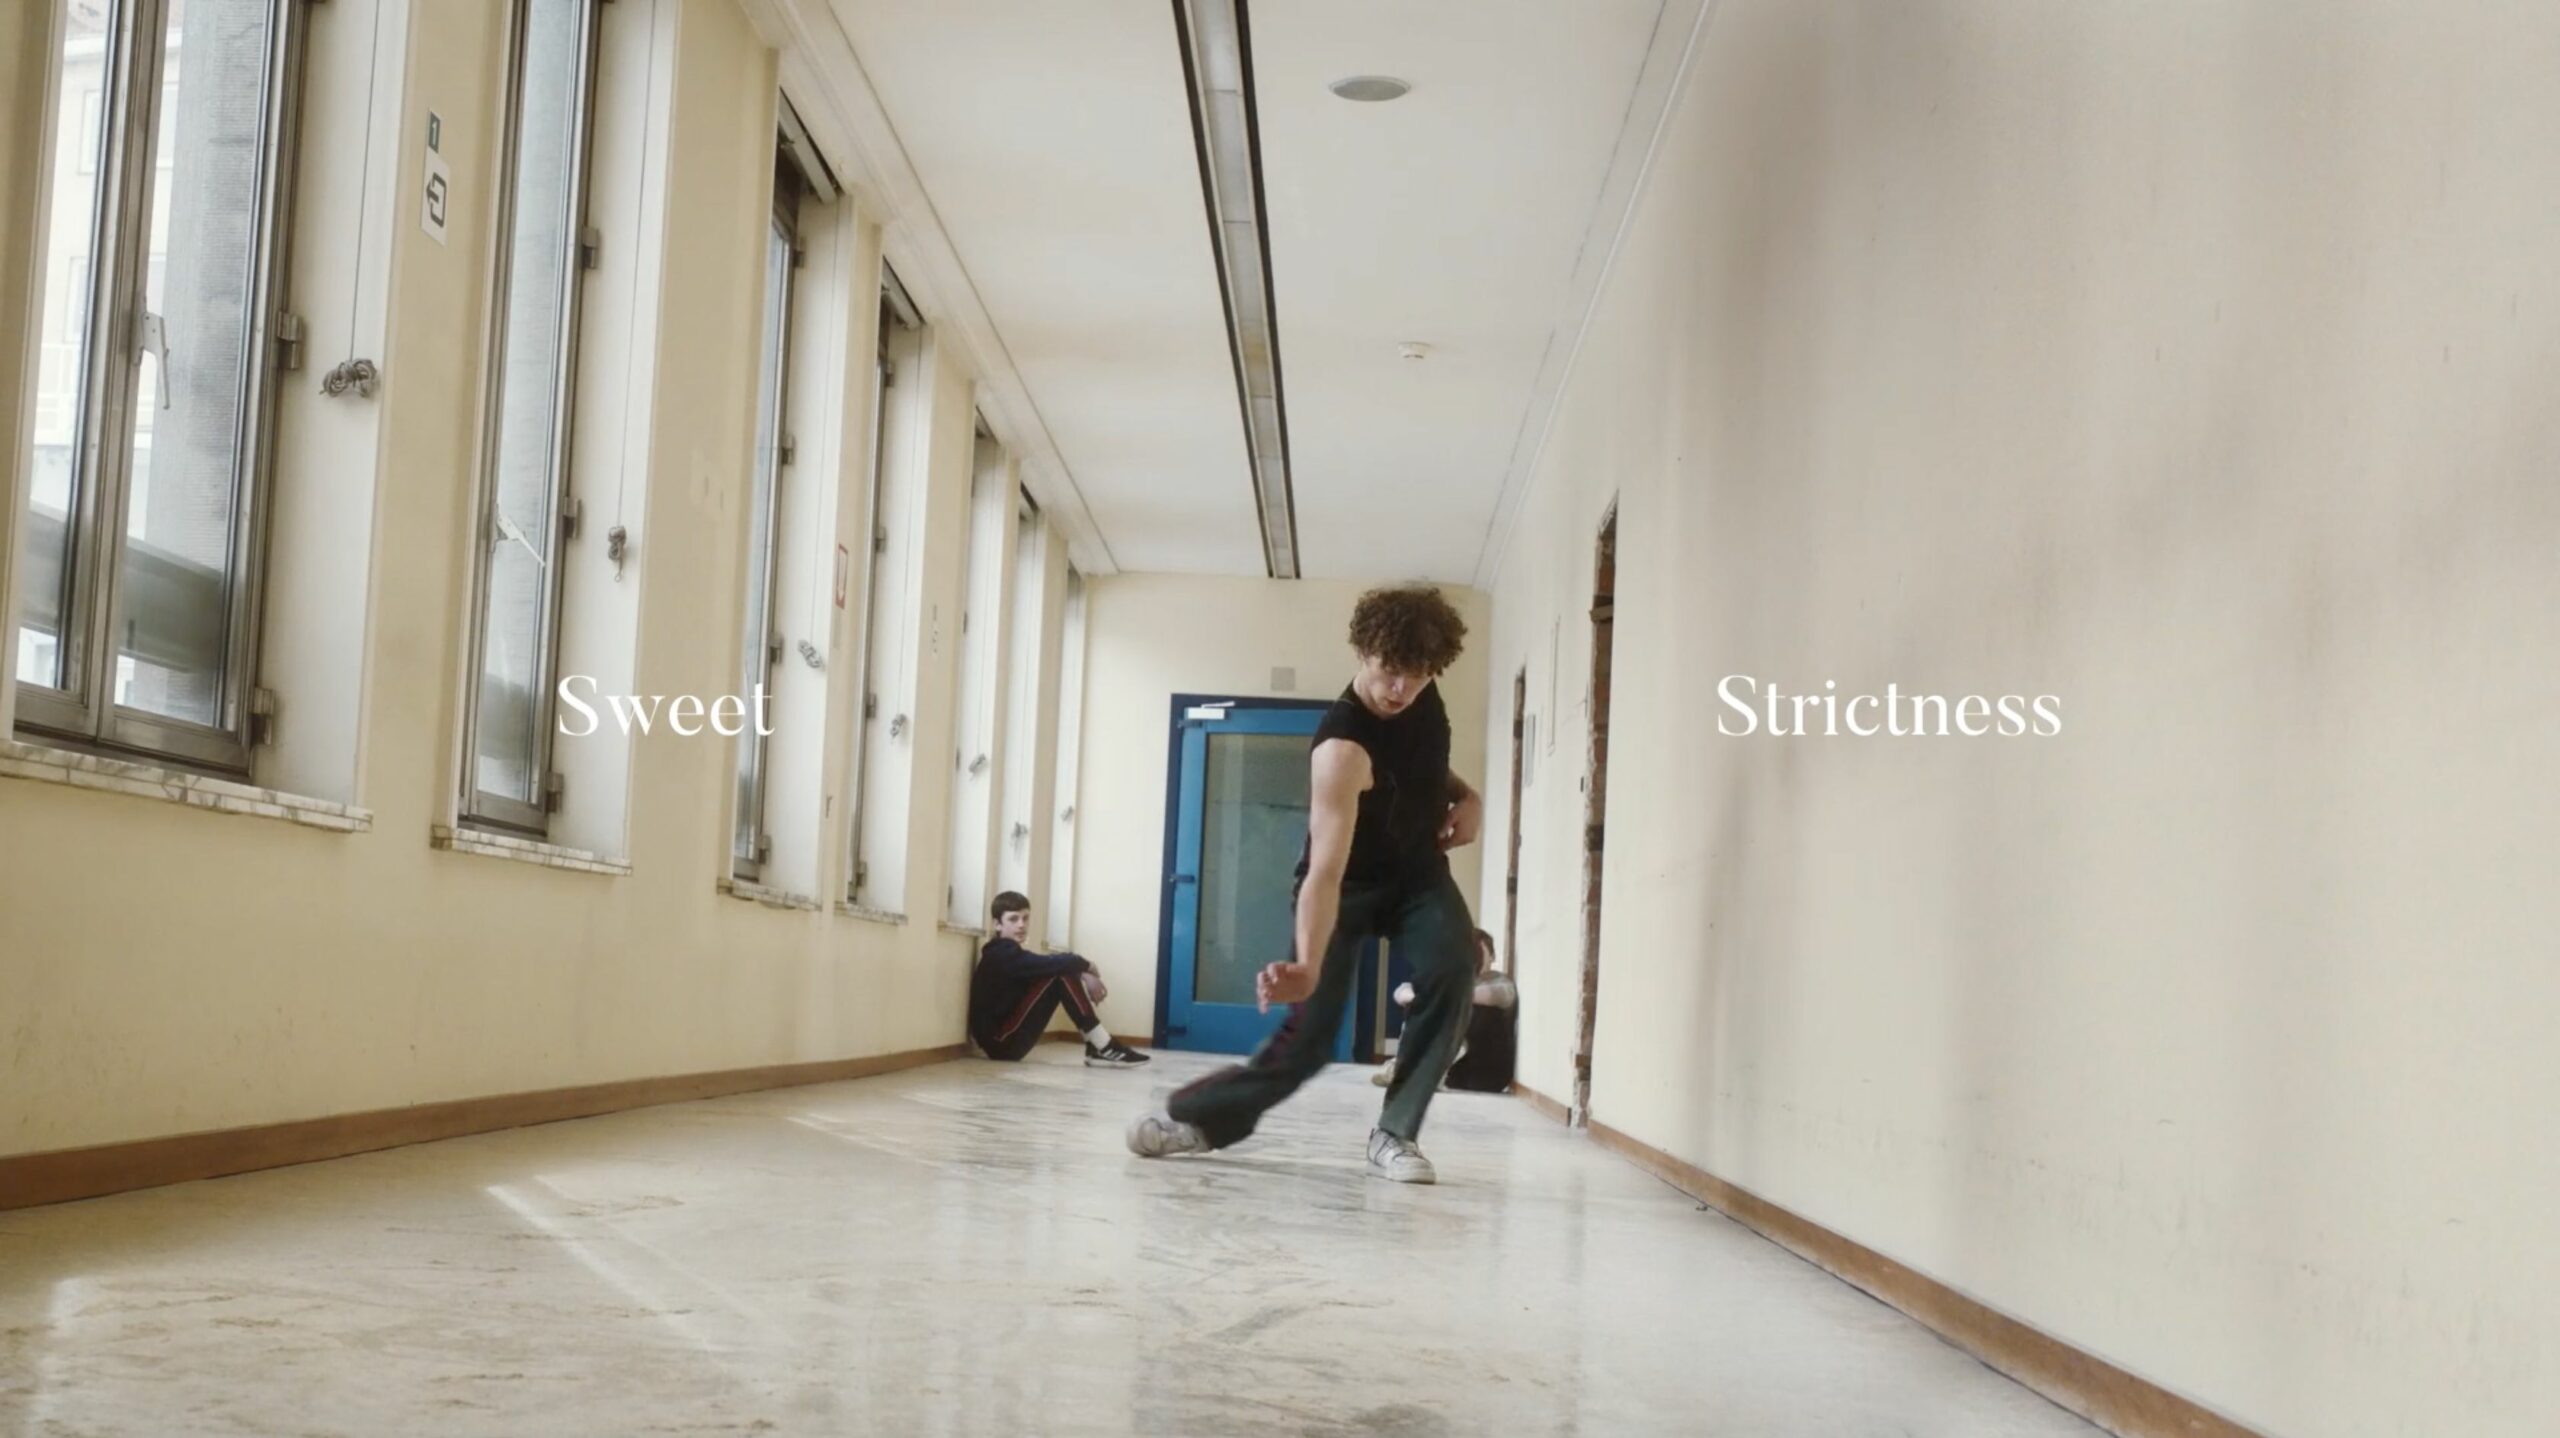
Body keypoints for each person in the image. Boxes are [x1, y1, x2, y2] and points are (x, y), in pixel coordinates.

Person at [1127, 585, 1481, 1183]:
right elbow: (1325, 871)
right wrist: (1309, 965)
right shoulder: (1341, 748)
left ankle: (1395, 1133)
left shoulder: (1421, 696)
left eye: (1418, 676)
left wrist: (1468, 797)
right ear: (1363, 651)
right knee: (1309, 1043)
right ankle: (1198, 1121)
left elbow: (1420, 766)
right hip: (1346, 886)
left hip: (1417, 875)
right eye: (1390, 672)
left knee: (1455, 964)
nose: (1401, 689)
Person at [970, 891, 1150, 1067]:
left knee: (1060, 971)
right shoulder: (1001, 955)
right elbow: (1054, 964)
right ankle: (1104, 1046)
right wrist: (1086, 966)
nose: (1021, 925)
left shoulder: (1008, 953)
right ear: (997, 924)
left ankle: (1098, 1046)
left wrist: (1081, 973)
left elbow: (1048, 965)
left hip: (1003, 1042)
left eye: (1025, 918)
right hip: (1001, 1043)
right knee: (1060, 974)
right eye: (1013, 919)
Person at [1372, 927, 1516, 1093]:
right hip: (1456, 1073)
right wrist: (1419, 999)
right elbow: (1401, 991)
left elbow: (1500, 994)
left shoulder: (1499, 981)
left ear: (1492, 956)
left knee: (1470, 1007)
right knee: (1419, 1003)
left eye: (1481, 952)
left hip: (1486, 1071)